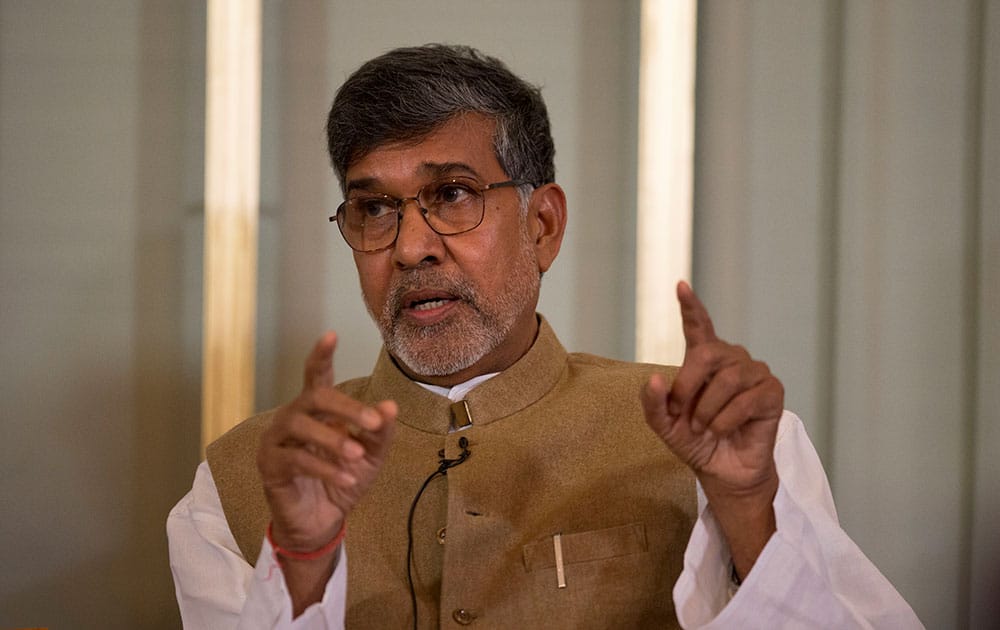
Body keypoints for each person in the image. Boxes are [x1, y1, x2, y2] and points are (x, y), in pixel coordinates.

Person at [168, 44, 922, 629]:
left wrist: (750, 509)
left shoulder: (722, 441)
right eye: (374, 209)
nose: (409, 247)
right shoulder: (238, 483)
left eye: (452, 195)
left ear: (543, 226)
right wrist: (301, 559)